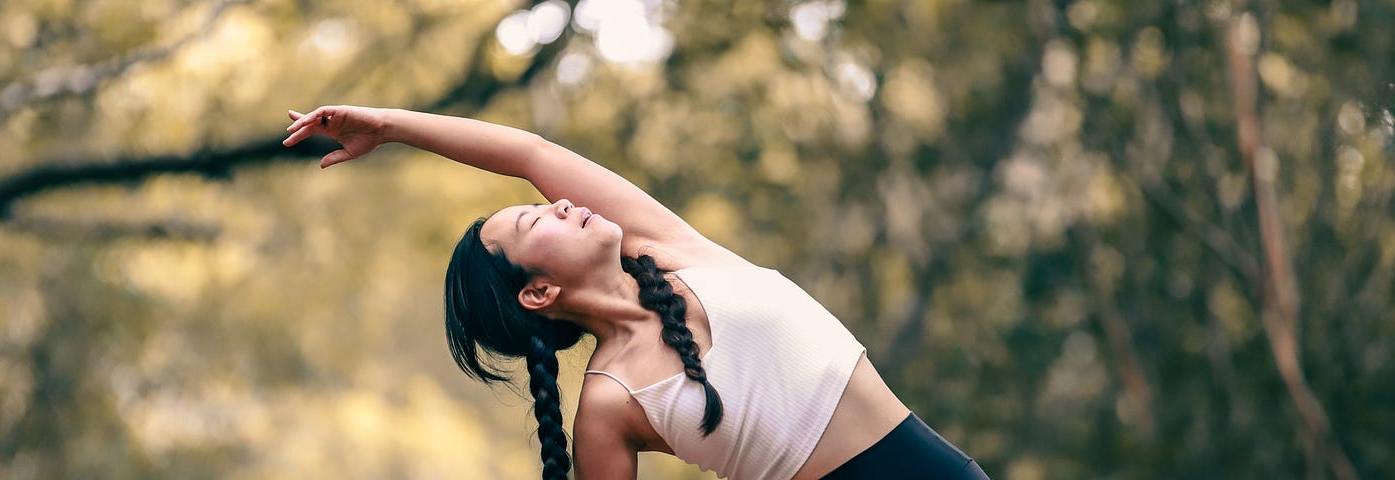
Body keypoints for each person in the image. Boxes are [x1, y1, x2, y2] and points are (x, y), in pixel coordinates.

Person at [283, 106, 988, 480]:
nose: (559, 203)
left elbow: (531, 154)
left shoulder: (674, 252)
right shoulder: (610, 404)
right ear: (539, 293)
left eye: (546, 204)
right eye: (537, 219)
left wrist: (392, 126)